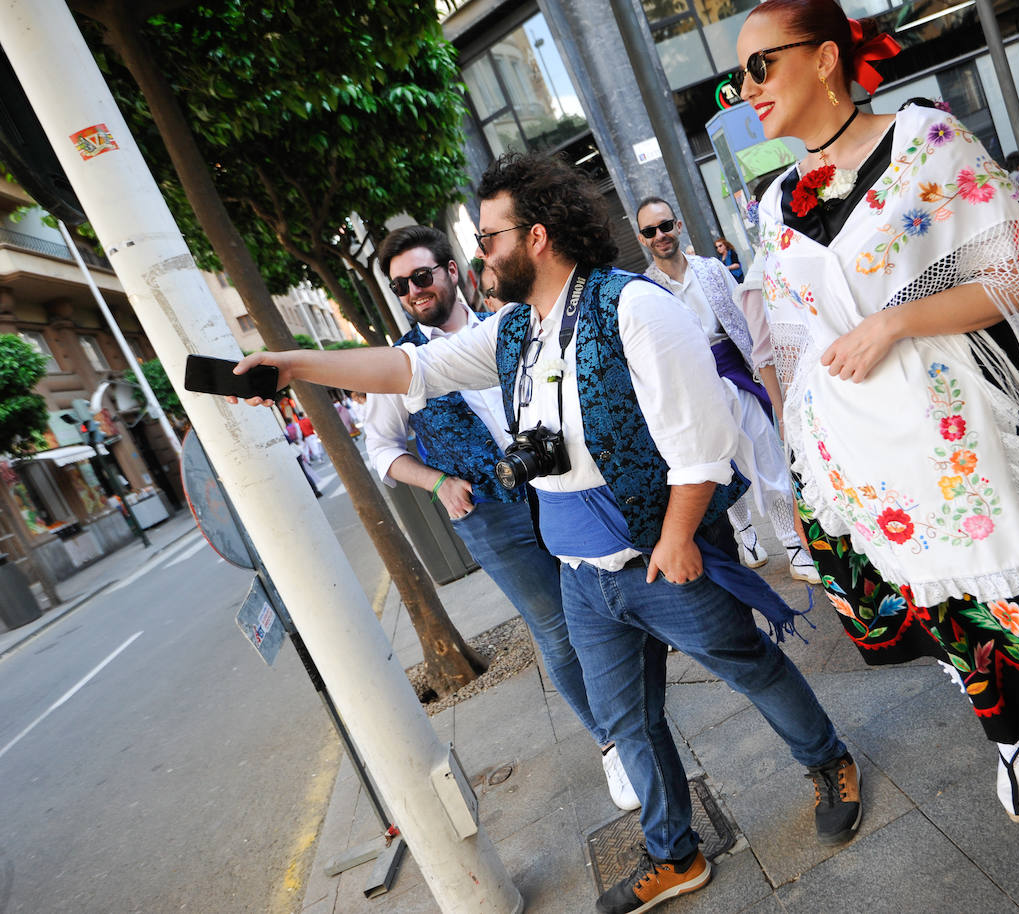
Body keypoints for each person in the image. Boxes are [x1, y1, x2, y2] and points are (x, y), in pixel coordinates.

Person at [229, 152, 862, 914]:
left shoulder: (635, 308)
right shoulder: (512, 334)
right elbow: (406, 371)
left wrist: (680, 536)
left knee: (749, 666)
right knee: (628, 722)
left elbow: (706, 443)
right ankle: (676, 854)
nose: (478, 259)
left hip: (662, 553)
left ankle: (829, 762)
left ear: (535, 237)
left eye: (488, 239)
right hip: (580, 574)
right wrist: (295, 366)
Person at [734, 3, 1019, 913]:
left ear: (825, 60)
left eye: (759, 68)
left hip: (962, 439)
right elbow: (783, 333)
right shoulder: (774, 199)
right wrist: (796, 447)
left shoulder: (926, 141)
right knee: (947, 624)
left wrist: (895, 318)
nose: (745, 92)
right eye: (736, 79)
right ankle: (1008, 740)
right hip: (858, 462)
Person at [366, 223, 638, 814]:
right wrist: (437, 482)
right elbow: (381, 450)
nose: (413, 292)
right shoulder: (399, 365)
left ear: (452, 272)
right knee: (556, 629)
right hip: (490, 514)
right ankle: (613, 741)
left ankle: (634, 710)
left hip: (562, 488)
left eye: (421, 276)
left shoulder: (509, 326)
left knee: (608, 594)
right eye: (400, 285)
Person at [637, 197, 819, 583]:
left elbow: (744, 318)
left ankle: (792, 545)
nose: (661, 235)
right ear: (642, 238)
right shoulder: (644, 289)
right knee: (720, 463)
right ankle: (746, 536)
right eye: (651, 231)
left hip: (736, 372)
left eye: (665, 225)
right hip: (691, 387)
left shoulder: (712, 269)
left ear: (679, 225)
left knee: (766, 453)